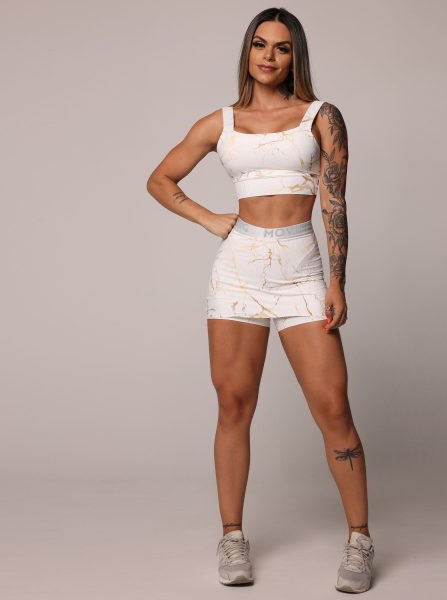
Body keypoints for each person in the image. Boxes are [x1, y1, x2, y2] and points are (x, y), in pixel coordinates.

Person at [146, 7, 374, 594]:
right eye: (259, 45)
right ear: (247, 52)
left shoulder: (321, 117)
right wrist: (209, 219)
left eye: (281, 47)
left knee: (334, 408)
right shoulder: (220, 122)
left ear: (296, 56)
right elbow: (160, 180)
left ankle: (359, 539)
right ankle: (232, 537)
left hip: (302, 272)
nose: (269, 57)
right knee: (233, 405)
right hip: (238, 274)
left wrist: (337, 280)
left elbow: (334, 203)